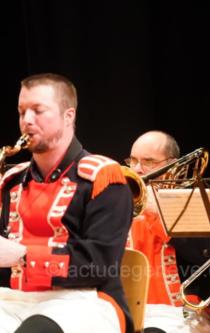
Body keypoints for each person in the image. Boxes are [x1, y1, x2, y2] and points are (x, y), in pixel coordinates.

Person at [0, 73, 134, 333]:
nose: (26, 121)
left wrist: (25, 256)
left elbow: (100, 264)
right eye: (22, 111)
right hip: (18, 299)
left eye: (38, 110)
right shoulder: (12, 181)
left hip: (89, 300)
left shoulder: (104, 177)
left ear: (68, 116)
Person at [126, 130, 210, 333]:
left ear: (171, 164)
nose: (137, 169)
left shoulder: (197, 198)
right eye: (133, 161)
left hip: (179, 312)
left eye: (148, 162)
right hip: (126, 307)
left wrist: (157, 212)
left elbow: (203, 254)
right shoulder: (118, 202)